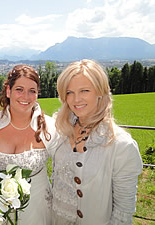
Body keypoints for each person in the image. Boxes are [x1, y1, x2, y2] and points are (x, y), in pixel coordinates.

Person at [51, 59, 143, 224]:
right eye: (69, 92)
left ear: (100, 92)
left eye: (84, 90)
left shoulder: (121, 145)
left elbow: (123, 212)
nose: (76, 99)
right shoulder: (61, 132)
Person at [0, 64, 58, 225]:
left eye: (32, 91)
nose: (26, 96)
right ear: (8, 91)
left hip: (38, 209)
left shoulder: (49, 128)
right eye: (19, 89)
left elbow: (63, 169)